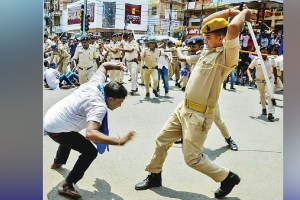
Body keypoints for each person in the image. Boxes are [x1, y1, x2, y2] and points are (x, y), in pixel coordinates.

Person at [135, 6, 251, 198]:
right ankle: (154, 174)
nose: (204, 41)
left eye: (208, 38)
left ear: (221, 39)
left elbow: (232, 29)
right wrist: (230, 11)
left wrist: (244, 14)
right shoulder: (208, 51)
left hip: (199, 115)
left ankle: (227, 177)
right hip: (184, 108)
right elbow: (207, 22)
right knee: (161, 140)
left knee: (192, 159)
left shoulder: (226, 55)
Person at [44, 61, 135, 199]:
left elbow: (104, 66)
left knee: (70, 134)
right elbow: (90, 133)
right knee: (90, 151)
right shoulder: (98, 106)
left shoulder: (96, 83)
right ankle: (67, 184)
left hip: (52, 117)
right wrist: (118, 141)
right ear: (110, 98)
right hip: (57, 128)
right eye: (119, 102)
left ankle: (58, 161)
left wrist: (118, 66)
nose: (120, 106)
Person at [247, 47, 277, 122]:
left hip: (269, 80)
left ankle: (270, 113)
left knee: (270, 95)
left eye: (265, 52)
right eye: (262, 52)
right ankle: (264, 108)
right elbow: (249, 69)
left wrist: (275, 78)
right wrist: (250, 77)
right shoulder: (256, 60)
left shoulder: (271, 59)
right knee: (262, 95)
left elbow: (274, 68)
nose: (263, 54)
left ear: (267, 53)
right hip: (259, 81)